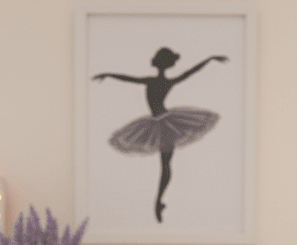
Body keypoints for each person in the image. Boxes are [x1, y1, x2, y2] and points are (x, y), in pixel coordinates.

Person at [93, 47, 228, 223]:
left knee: (165, 165)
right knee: (165, 165)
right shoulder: (167, 82)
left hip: (163, 123)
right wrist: (209, 59)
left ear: (157, 63)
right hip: (164, 123)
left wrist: (108, 74)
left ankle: (158, 202)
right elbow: (190, 72)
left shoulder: (151, 81)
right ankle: (158, 202)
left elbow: (129, 79)